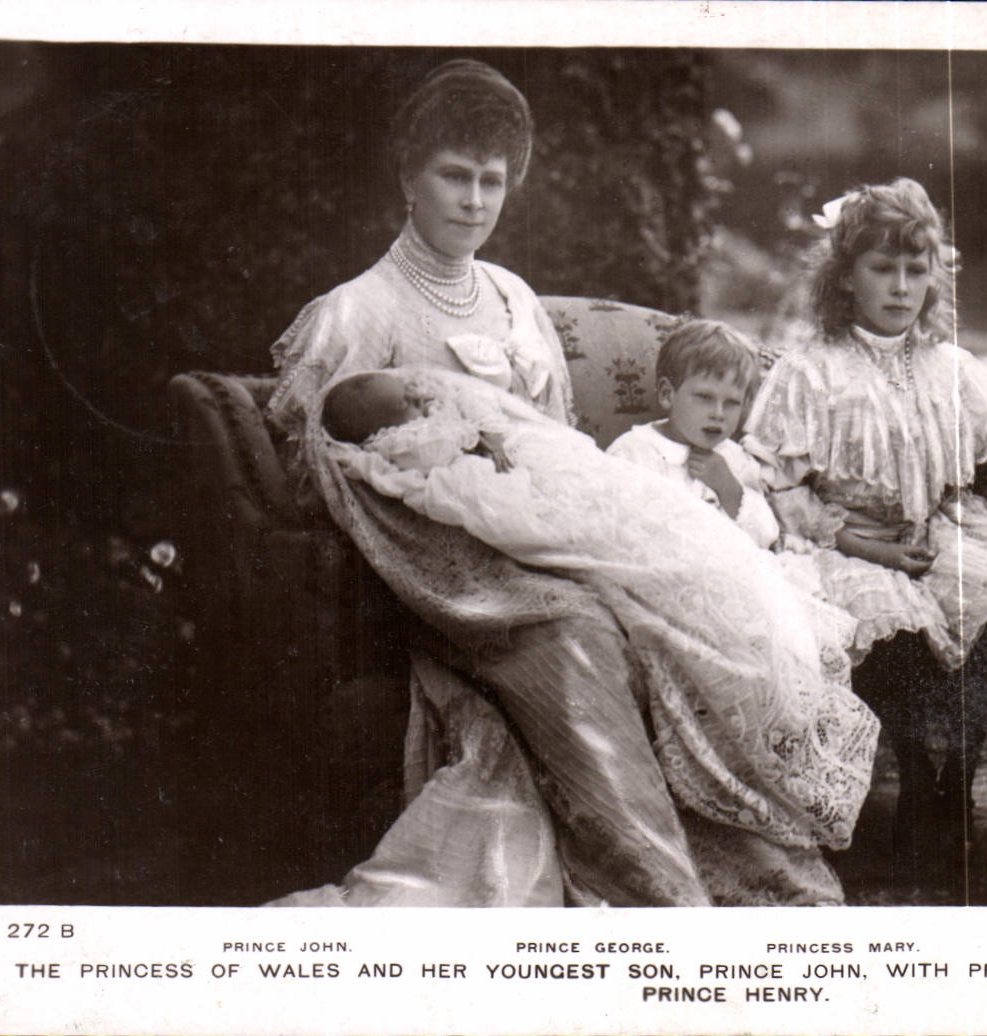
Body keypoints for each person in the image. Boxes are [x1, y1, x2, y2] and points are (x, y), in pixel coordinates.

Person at [266, 59, 851, 906]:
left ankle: (749, 860)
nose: (473, 200)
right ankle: (656, 894)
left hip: (543, 534)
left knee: (671, 612)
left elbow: (558, 438)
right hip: (449, 571)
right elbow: (324, 464)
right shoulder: (358, 312)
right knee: (577, 630)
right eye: (453, 176)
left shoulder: (512, 298)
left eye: (491, 181)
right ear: (408, 178)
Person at [318, 366, 879, 855]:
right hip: (532, 502)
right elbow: (457, 478)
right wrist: (475, 451)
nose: (423, 405)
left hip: (609, 497)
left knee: (696, 560)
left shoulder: (729, 458)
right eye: (407, 406)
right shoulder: (412, 443)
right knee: (642, 574)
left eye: (731, 403)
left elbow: (750, 519)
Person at [744, 177, 987, 894]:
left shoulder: (948, 368)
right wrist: (861, 544)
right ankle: (910, 776)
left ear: (935, 275)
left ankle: (949, 784)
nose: (900, 287)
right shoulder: (812, 371)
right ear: (845, 277)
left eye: (914, 269)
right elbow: (777, 484)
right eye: (881, 268)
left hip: (936, 531)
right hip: (844, 542)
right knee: (886, 621)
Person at [606, 320, 779, 550]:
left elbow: (765, 537)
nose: (718, 414)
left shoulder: (735, 458)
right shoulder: (635, 452)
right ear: (668, 394)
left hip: (731, 568)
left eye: (732, 403)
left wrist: (728, 488)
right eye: (704, 397)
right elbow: (615, 527)